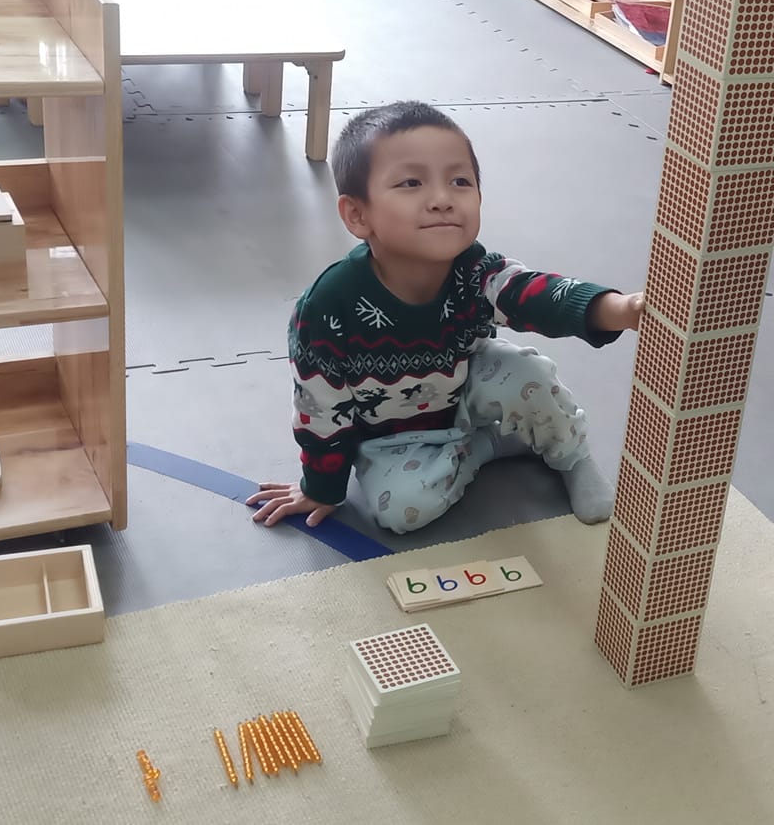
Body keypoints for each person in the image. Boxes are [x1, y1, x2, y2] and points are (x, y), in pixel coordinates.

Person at [245, 101, 643, 535]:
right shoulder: (327, 307)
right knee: (401, 513)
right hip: (391, 437)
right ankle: (487, 445)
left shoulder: (475, 271)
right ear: (358, 215)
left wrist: (620, 310)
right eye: (411, 183)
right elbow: (320, 410)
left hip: (466, 390)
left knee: (526, 373)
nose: (441, 200)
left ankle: (571, 455)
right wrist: (322, 487)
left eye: (460, 181)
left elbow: (533, 294)